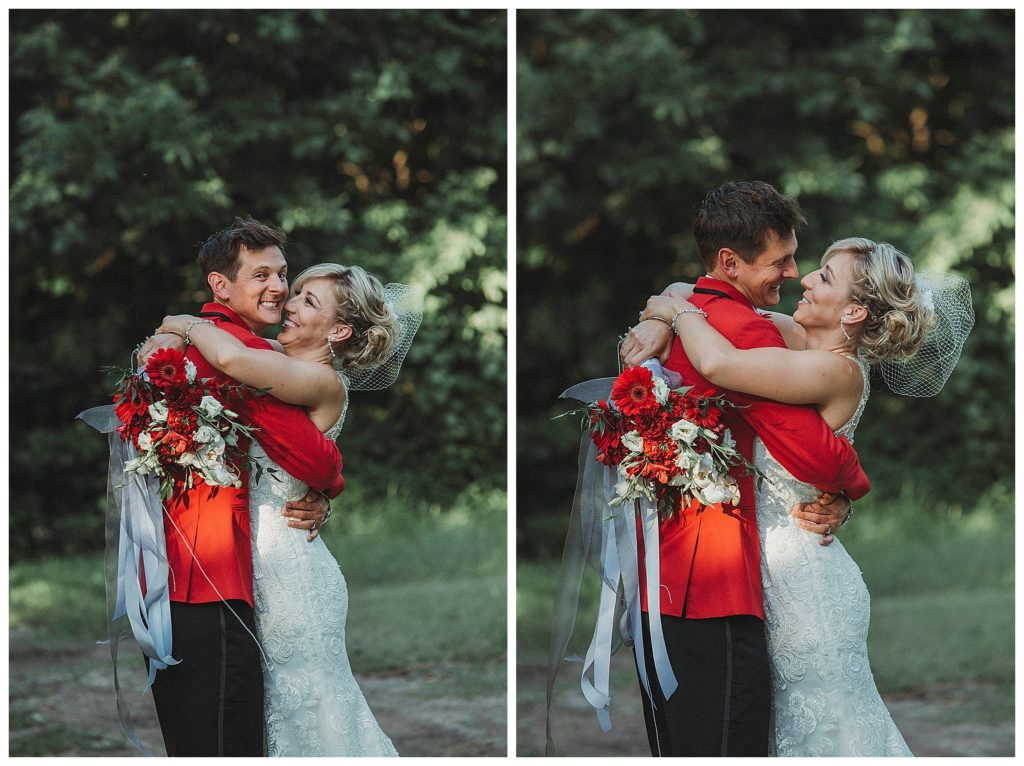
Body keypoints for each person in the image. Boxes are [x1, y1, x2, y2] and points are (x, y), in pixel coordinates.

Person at [639, 236, 972, 756]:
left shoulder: (835, 370)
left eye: (825, 276)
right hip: (769, 569)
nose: (807, 278)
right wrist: (663, 312)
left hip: (805, 585)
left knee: (824, 730)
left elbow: (720, 363)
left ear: (854, 311)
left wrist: (674, 314)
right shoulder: (796, 337)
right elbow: (701, 294)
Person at [597, 181, 870, 757]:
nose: (795, 273)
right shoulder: (745, 330)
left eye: (811, 268)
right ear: (730, 262)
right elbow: (819, 453)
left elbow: (687, 294)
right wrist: (852, 488)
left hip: (660, 577)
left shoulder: (713, 317)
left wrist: (668, 309)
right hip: (713, 583)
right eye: (782, 260)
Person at [157, 260, 419, 756]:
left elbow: (230, 358)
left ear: (339, 331)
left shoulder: (319, 380)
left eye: (307, 300)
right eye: (296, 292)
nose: (289, 303)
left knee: (311, 711)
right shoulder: (278, 358)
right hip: (256, 559)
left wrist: (185, 323)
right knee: (276, 708)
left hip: (291, 574)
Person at [130, 218, 343, 756]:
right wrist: (329, 486)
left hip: (158, 574)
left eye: (283, 275)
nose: (279, 288)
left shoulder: (182, 346)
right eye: (262, 275)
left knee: (193, 740)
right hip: (213, 581)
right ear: (220, 285)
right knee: (229, 741)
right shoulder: (239, 353)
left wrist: (175, 325)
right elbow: (316, 458)